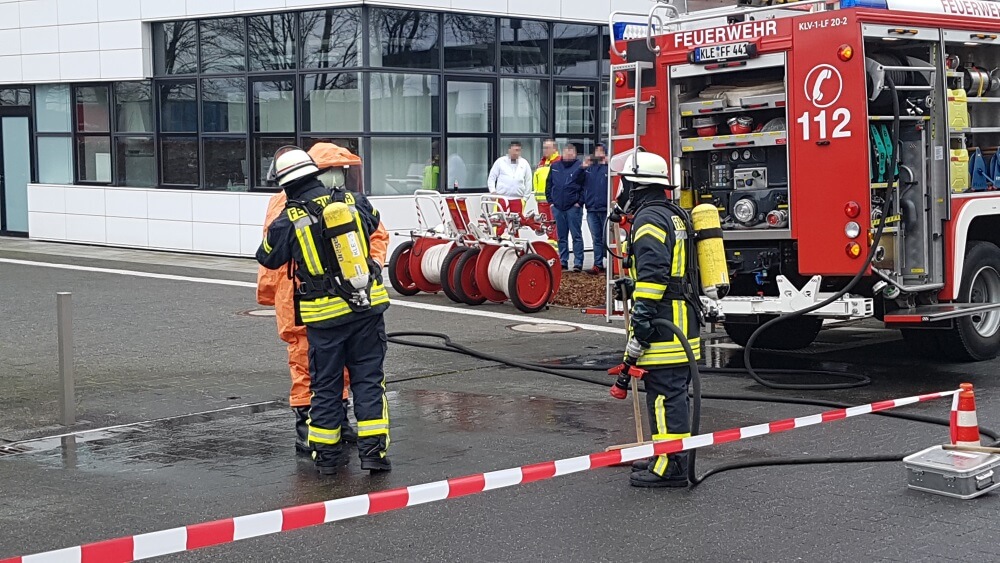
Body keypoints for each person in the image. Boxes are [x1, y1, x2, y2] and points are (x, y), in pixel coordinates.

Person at [257, 146, 392, 476]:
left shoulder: (289, 217)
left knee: (327, 387)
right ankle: (374, 455)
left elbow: (267, 257)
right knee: (369, 381)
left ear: (285, 184)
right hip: (366, 308)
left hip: (324, 318)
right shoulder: (352, 201)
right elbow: (375, 226)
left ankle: (328, 459)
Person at [615, 151, 701, 489]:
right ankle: (665, 456)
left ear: (636, 186)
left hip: (666, 323)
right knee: (672, 392)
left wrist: (643, 316)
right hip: (682, 320)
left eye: (625, 184)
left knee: (666, 394)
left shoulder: (649, 219)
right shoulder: (673, 214)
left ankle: (672, 467)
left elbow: (654, 274)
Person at [545, 143, 586, 272]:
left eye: (571, 152)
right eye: (566, 151)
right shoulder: (555, 166)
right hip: (558, 207)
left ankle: (578, 263)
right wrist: (551, 202)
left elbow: (585, 186)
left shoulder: (580, 167)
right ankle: (563, 261)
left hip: (573, 208)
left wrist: (579, 202)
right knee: (561, 236)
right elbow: (549, 185)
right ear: (562, 153)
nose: (568, 154)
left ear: (575, 154)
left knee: (576, 236)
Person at [582, 143, 609, 275]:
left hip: (605, 209)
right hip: (591, 208)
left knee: (606, 238)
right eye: (596, 151)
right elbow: (577, 181)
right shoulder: (589, 169)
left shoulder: (609, 169)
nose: (598, 153)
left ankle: (610, 263)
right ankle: (598, 264)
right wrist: (583, 167)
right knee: (596, 238)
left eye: (601, 151)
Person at [532, 139, 560, 243]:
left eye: (547, 148)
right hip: (541, 202)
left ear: (555, 149)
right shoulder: (542, 163)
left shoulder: (558, 162)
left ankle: (556, 251)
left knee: (554, 227)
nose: (545, 150)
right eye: (544, 148)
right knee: (546, 226)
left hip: (553, 202)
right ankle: (551, 247)